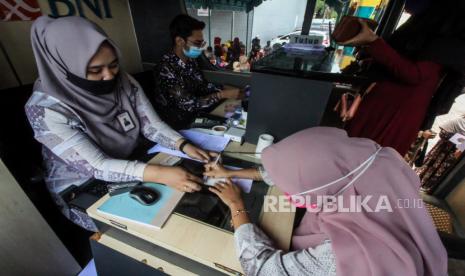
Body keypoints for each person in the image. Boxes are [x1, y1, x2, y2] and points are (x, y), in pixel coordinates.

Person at [26, 16, 211, 231]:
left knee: (181, 206)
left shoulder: (123, 81)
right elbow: (97, 165)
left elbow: (150, 125)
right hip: (82, 185)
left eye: (113, 65)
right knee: (147, 228)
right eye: (95, 70)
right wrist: (159, 174)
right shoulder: (45, 110)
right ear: (63, 66)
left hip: (130, 163)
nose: (109, 76)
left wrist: (183, 145)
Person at [206, 127, 447, 275]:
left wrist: (237, 206)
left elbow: (262, 269)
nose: (289, 193)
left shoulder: (344, 254)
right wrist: (230, 173)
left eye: (294, 190)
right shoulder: (374, 165)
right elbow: (291, 173)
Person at [343, 0, 465, 156]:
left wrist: (373, 42)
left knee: (359, 158)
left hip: (394, 110)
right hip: (391, 106)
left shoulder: (444, 37)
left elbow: (415, 75)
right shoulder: (437, 29)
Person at [154, 15, 242, 129]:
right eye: (197, 43)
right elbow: (189, 104)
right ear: (180, 41)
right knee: (230, 123)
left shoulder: (191, 61)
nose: (201, 47)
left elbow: (202, 86)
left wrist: (224, 88)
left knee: (236, 111)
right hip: (178, 121)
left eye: (202, 43)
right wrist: (221, 95)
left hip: (197, 113)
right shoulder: (165, 68)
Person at [416, 115, 465, 193]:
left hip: (453, 156)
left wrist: (462, 145)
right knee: (431, 166)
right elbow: (443, 133)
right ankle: (418, 183)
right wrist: (463, 142)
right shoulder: (459, 121)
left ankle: (429, 188)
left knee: (442, 173)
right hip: (442, 151)